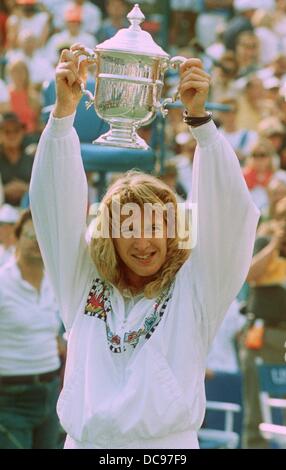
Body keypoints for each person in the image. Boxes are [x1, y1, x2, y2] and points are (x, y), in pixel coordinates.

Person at [29, 47, 259, 449]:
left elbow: (231, 216)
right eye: (128, 228)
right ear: (108, 236)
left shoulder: (198, 285)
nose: (143, 241)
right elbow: (53, 206)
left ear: (173, 232)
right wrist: (63, 118)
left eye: (155, 227)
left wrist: (201, 124)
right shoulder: (81, 279)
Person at [0, 210, 62, 449]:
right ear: (16, 238)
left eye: (42, 236)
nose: (37, 241)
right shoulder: (3, 283)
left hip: (50, 392)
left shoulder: (55, 283)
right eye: (30, 234)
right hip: (10, 397)